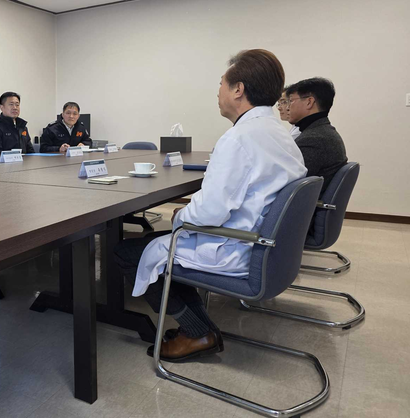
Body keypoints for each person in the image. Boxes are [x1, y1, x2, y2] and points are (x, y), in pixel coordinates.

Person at [115, 49, 306, 361]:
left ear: (238, 89)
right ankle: (198, 327)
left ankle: (198, 332)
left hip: (236, 248)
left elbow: (209, 213)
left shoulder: (238, 138)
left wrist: (182, 214)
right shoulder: (280, 135)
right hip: (266, 247)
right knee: (156, 242)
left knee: (128, 253)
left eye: (221, 83)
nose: (218, 92)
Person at [286, 77, 347, 194]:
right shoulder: (324, 131)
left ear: (309, 102)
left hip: (304, 204)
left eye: (291, 101)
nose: (287, 107)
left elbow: (286, 184)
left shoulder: (313, 140)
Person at [0, 92, 35, 157]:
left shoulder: (22, 127)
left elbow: (30, 152)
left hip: (25, 163)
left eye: (17, 105)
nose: (15, 108)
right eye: (11, 104)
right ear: (2, 107)